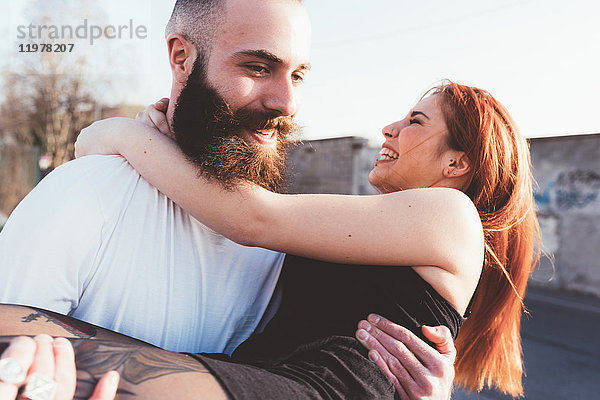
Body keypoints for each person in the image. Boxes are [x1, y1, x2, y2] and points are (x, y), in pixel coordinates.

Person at [0, 0, 455, 397]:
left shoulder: (279, 246)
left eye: (297, 75)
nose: (287, 102)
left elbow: (250, 219)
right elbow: (12, 359)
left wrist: (112, 131)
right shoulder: (89, 193)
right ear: (181, 57)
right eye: (258, 67)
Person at [68, 79, 540, 399]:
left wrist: (119, 134)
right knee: (30, 337)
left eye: (415, 122)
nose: (389, 128)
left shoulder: (452, 215)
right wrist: (174, 139)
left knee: (60, 370)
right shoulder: (391, 222)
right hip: (267, 374)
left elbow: (252, 217)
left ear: (456, 164)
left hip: (319, 387)